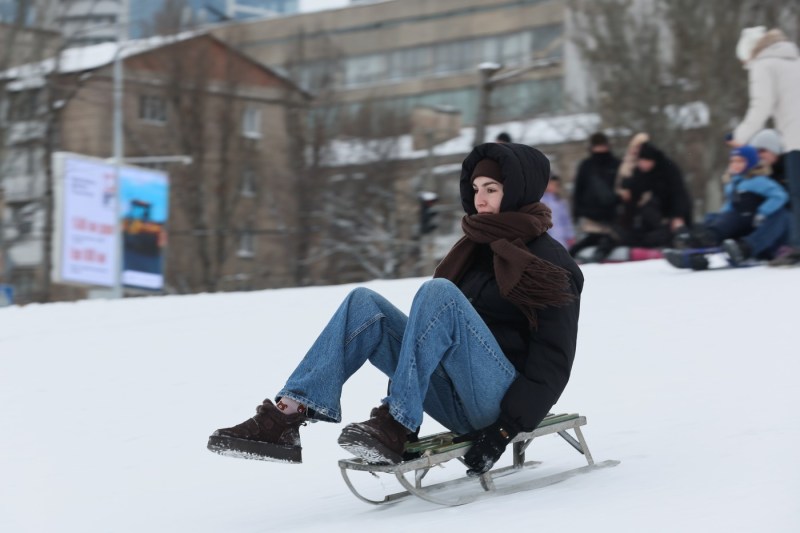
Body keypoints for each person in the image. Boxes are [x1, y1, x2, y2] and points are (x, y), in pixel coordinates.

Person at [207, 142, 584, 477]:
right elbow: (427, 337)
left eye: (492, 189)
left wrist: (504, 430)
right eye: (475, 189)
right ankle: (286, 417)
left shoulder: (550, 264)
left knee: (438, 293)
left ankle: (397, 420)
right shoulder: (474, 250)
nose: (480, 200)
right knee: (364, 303)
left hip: (499, 404)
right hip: (454, 397)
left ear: (517, 191)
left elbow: (554, 362)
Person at [732, 26, 800, 266]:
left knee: (797, 193)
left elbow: (762, 105)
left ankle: (798, 248)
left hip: (796, 137)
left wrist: (741, 136)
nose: (746, 66)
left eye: (744, 61)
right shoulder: (794, 60)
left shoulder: (763, 64)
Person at [675, 145, 789, 263]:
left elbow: (779, 196)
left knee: (732, 218)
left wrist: (763, 212)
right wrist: (720, 217)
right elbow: (730, 205)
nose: (736, 164)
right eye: (733, 161)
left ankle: (738, 246)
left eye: (741, 161)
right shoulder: (733, 183)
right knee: (714, 217)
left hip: (754, 221)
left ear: (751, 163)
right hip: (739, 220)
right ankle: (699, 241)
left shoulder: (759, 181)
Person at [618, 141, 693, 248]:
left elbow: (679, 193)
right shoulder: (642, 171)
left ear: (652, 160)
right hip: (657, 213)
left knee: (673, 230)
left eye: (645, 162)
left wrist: (677, 216)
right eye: (640, 162)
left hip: (674, 211)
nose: (642, 165)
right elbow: (635, 189)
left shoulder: (668, 168)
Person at [569, 132, 622, 261]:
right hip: (591, 215)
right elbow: (578, 190)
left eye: (602, 146)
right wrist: (577, 213)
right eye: (598, 146)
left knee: (611, 238)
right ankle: (572, 257)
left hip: (614, 215)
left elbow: (623, 188)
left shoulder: (616, 164)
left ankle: (596, 256)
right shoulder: (586, 165)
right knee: (593, 239)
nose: (600, 149)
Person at [541, 174, 575, 249]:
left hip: (560, 236)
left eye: (555, 185)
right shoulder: (540, 201)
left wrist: (570, 236)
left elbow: (566, 220)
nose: (552, 187)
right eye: (550, 184)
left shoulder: (560, 202)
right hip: (545, 236)